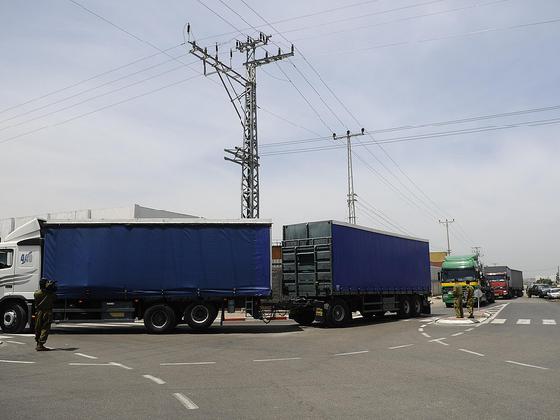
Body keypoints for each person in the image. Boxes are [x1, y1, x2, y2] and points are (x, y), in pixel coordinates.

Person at [34, 278, 57, 351]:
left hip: (39, 312)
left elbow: (38, 295)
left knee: (38, 327)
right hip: (47, 313)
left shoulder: (37, 293)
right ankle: (41, 344)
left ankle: (38, 342)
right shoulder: (51, 294)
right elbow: (55, 297)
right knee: (45, 328)